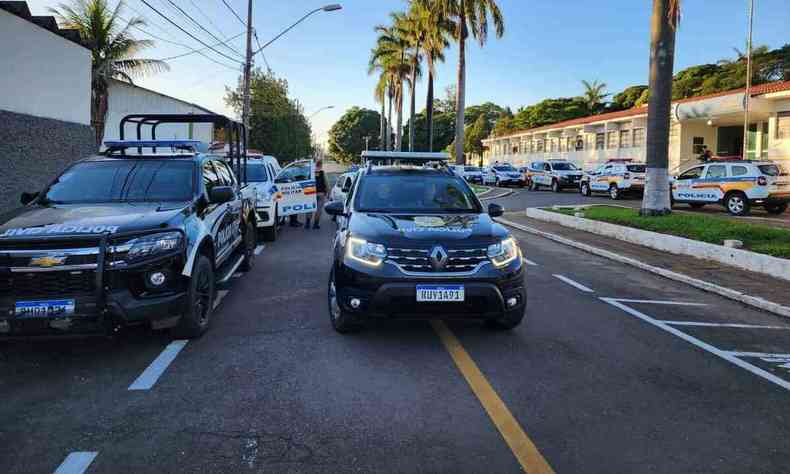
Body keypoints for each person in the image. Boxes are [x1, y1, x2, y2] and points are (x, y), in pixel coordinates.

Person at [305, 159, 329, 230]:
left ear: (315, 164)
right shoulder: (323, 173)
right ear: (321, 165)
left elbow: (306, 183)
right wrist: (328, 192)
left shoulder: (310, 173)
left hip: (311, 194)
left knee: (309, 208)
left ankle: (308, 223)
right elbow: (326, 183)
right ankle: (315, 224)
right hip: (321, 194)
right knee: (318, 209)